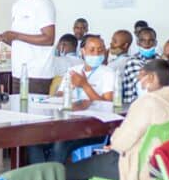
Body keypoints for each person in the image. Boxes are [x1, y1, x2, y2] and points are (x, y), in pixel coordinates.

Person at [29, 34, 116, 165]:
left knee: (61, 144)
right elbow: (59, 96)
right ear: (83, 51)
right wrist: (65, 92)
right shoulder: (73, 70)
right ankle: (41, 175)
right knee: (34, 140)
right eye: (92, 50)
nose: (96, 54)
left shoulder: (108, 73)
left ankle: (53, 176)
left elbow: (107, 104)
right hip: (67, 125)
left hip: (93, 129)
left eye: (100, 50)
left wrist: (85, 85)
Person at [0, 0, 56, 94]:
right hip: (18, 71)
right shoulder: (17, 5)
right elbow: (19, 40)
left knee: (33, 107)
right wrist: (4, 38)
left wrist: (16, 35)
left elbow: (49, 39)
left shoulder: (43, 3)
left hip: (37, 73)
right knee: (17, 106)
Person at [122, 26, 158, 103]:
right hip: (135, 105)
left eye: (151, 40)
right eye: (143, 40)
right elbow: (144, 84)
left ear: (155, 43)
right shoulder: (132, 61)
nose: (147, 44)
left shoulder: (161, 60)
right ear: (138, 43)